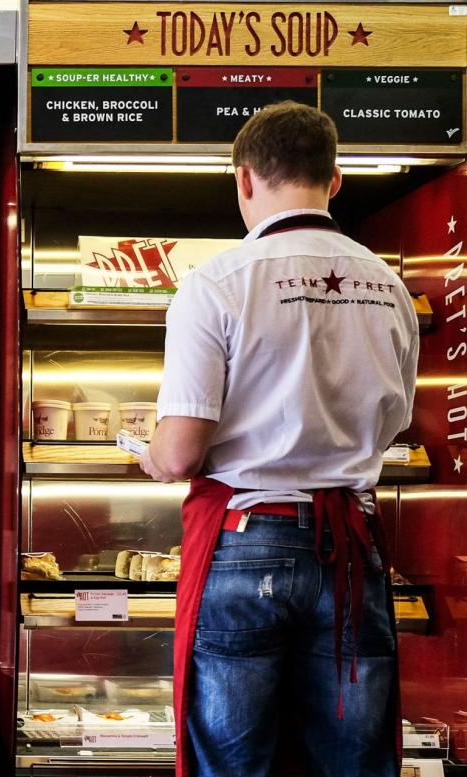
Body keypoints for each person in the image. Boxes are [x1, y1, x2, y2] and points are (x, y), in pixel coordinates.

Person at [139, 101, 418, 777]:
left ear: (243, 180)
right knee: (352, 762)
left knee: (234, 764)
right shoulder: (391, 287)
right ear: (337, 179)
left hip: (247, 541)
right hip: (352, 549)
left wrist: (149, 451)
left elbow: (179, 450)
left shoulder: (217, 284)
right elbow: (392, 425)